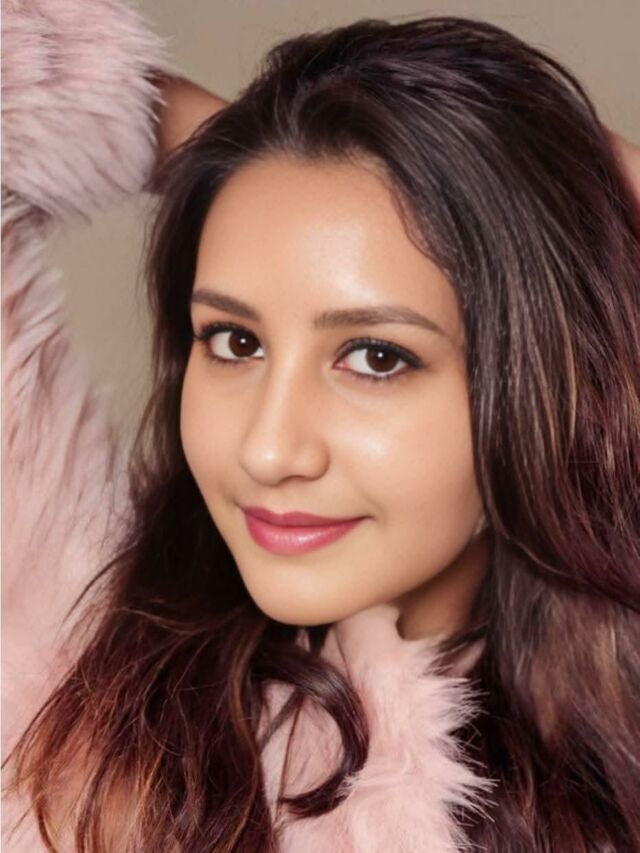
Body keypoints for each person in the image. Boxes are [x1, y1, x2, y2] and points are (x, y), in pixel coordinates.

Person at [3, 1, 639, 850]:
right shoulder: (79, 676)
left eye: (375, 357)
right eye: (235, 341)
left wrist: (551, 198)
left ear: (546, 380)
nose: (268, 449)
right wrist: (266, 150)